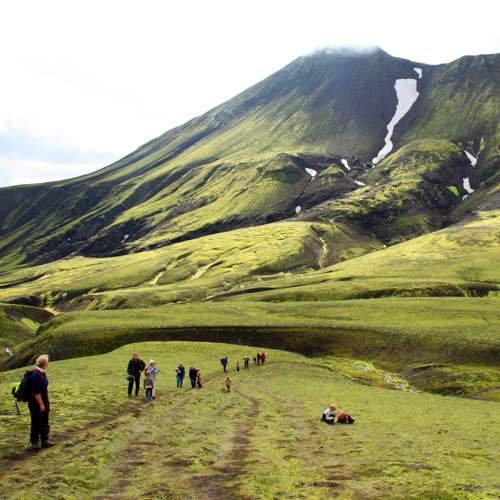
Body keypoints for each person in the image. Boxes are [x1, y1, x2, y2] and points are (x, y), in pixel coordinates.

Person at [28, 354, 52, 450]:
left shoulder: (42, 373)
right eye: (47, 362)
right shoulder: (36, 374)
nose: (48, 363)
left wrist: (48, 402)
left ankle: (44, 441)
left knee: (45, 421)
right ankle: (34, 443)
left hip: (43, 401)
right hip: (35, 403)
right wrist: (41, 404)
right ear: (44, 363)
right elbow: (36, 392)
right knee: (36, 422)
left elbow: (44, 388)